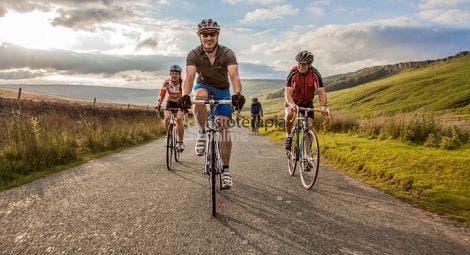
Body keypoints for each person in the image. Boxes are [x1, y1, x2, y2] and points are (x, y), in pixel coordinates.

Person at [178, 18, 245, 189]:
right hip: (204, 86)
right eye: (205, 34)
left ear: (217, 35)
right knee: (199, 95)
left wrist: (237, 93)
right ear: (200, 37)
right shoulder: (194, 54)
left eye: (212, 34)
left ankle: (226, 171)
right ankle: (201, 133)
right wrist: (185, 95)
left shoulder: (227, 53)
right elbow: (190, 77)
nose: (208, 38)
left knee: (223, 127)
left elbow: (234, 75)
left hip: (223, 89)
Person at [284, 50, 329, 150]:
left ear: (310, 65)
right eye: (299, 63)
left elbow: (321, 91)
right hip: (293, 101)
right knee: (289, 114)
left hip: (307, 102)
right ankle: (289, 136)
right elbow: (287, 92)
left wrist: (323, 106)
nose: (300, 66)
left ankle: (307, 154)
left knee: (308, 126)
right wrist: (291, 104)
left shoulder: (315, 74)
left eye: (303, 64)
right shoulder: (293, 73)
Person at [156, 64, 185, 151]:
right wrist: (158, 105)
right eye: (172, 73)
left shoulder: (182, 83)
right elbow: (161, 95)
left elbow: (185, 94)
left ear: (179, 75)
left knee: (179, 119)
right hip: (170, 102)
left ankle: (180, 142)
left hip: (180, 103)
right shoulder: (166, 82)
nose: (174, 75)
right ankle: (168, 136)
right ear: (170, 74)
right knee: (167, 118)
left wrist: (186, 105)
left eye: (176, 74)